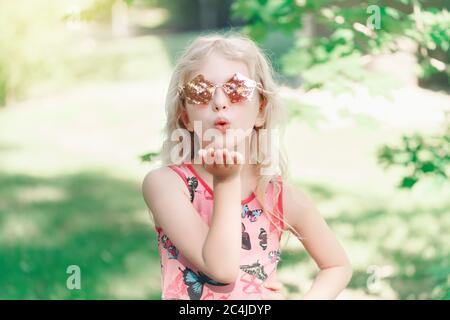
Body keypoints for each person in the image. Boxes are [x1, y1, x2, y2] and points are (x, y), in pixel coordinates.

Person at [142, 32, 352, 300]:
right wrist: (226, 181)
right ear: (185, 115)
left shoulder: (275, 195)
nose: (219, 103)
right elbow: (221, 269)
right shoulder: (167, 184)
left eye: (237, 89)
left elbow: (337, 266)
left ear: (261, 110)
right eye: (201, 91)